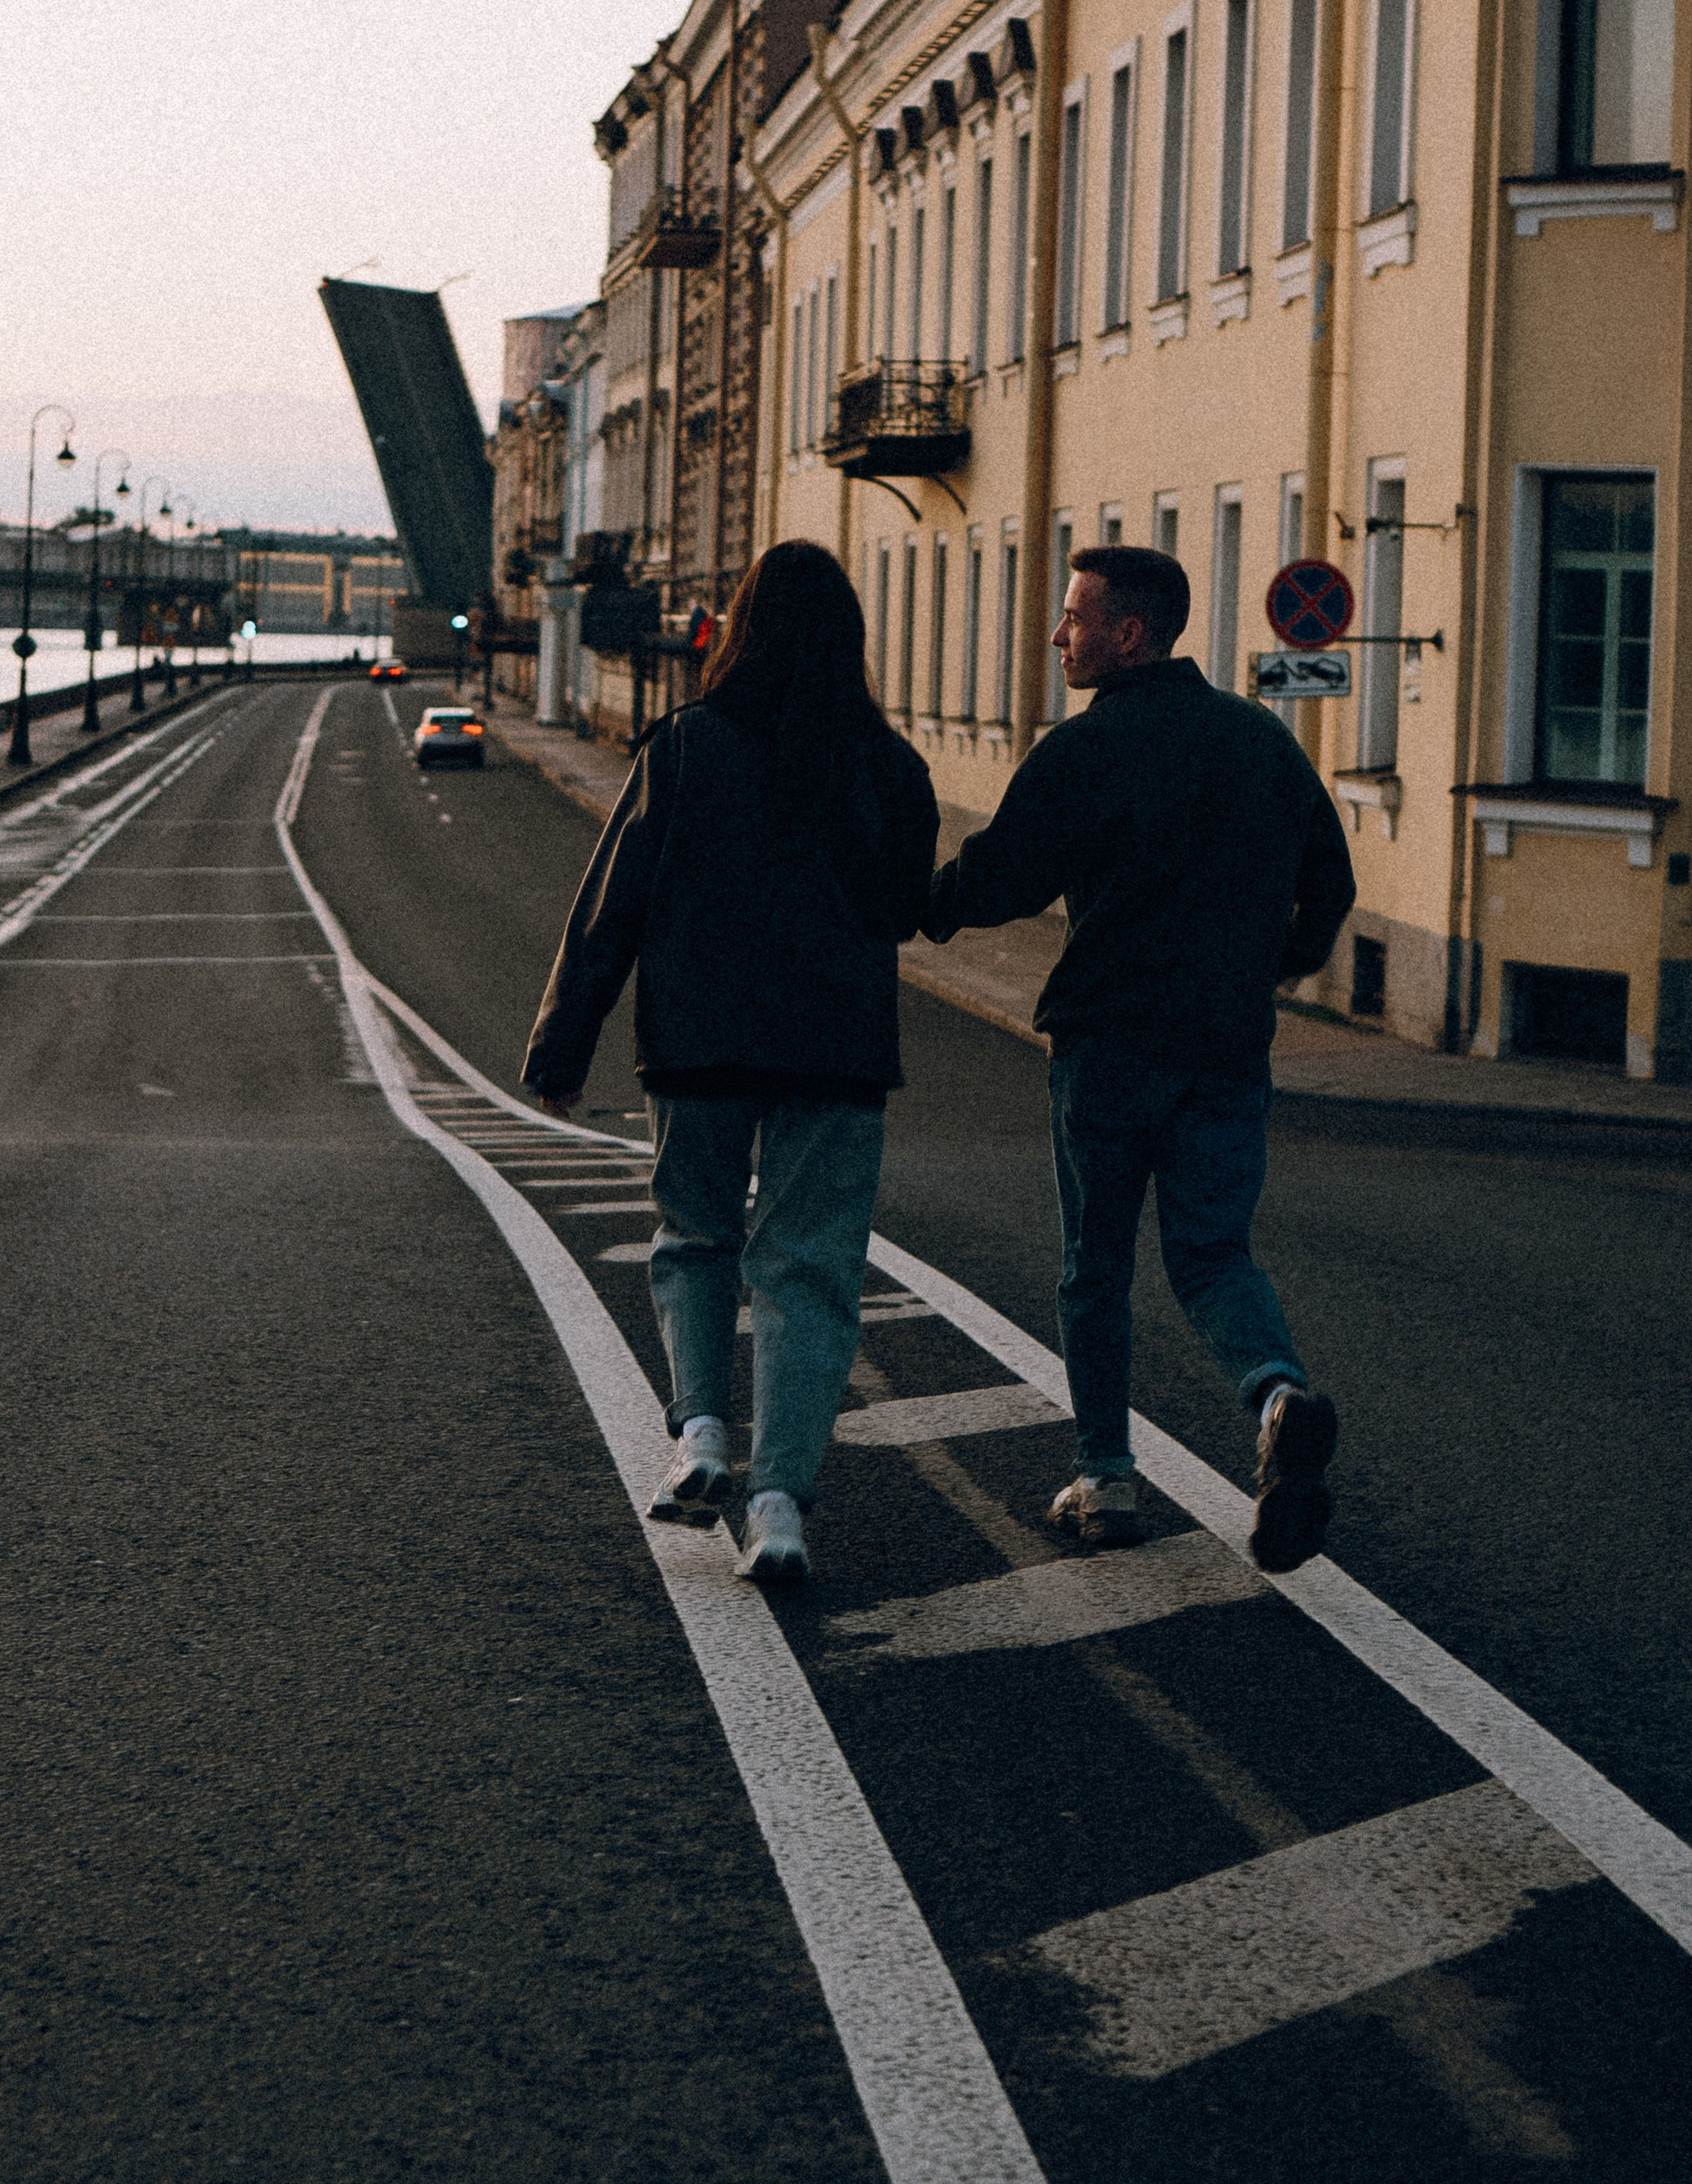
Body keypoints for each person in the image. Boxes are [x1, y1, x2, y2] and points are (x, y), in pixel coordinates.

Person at [925, 543, 1355, 1572]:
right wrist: (1266, 967)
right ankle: (1277, 1395)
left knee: (1095, 1269)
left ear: (1128, 633)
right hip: (1224, 1047)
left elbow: (1000, 879)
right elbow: (1328, 884)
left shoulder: (1087, 747)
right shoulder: (1260, 742)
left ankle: (1106, 1477)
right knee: (1213, 1255)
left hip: (1111, 1042)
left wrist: (905, 908)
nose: (1060, 634)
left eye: (1075, 616)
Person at [523, 541, 941, 1584]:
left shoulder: (687, 747)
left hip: (699, 1040)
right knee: (809, 1273)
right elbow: (903, 910)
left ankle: (703, 1435)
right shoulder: (891, 768)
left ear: (739, 630)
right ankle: (779, 1505)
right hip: (835, 1052)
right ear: (851, 643)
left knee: (695, 1238)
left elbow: (609, 907)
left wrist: (562, 1044)